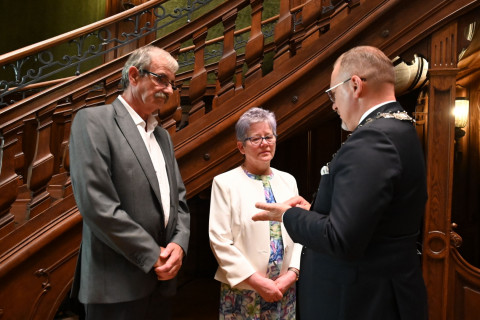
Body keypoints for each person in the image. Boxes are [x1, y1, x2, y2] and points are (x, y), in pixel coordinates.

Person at [252, 46, 429, 320]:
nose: (333, 105)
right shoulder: (401, 127)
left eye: (333, 94)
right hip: (384, 288)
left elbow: (342, 239)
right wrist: (315, 211)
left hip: (359, 300)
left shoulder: (373, 140)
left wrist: (290, 216)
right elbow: (371, 220)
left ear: (355, 85)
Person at [69, 45, 190, 320]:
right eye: (161, 78)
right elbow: (97, 206)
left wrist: (179, 246)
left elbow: (179, 202)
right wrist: (152, 255)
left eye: (172, 83)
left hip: (161, 286)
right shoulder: (93, 122)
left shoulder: (163, 137)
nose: (169, 90)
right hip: (115, 288)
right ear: (134, 75)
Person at [209, 107, 302, 319]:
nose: (264, 143)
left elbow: (299, 232)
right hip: (244, 289)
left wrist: (292, 273)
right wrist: (257, 282)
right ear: (241, 147)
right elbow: (219, 241)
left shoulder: (289, 180)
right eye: (256, 138)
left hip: (283, 288)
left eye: (268, 136)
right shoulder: (224, 183)